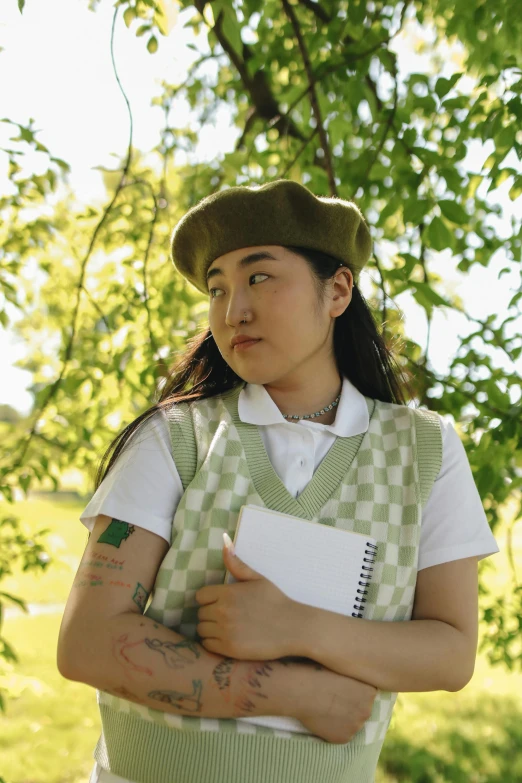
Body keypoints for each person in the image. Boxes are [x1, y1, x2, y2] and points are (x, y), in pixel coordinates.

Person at [57, 180, 499, 783]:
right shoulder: (174, 439)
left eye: (258, 278)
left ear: (338, 289)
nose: (232, 308)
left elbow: (451, 653)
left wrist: (297, 627)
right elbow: (86, 642)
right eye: (217, 288)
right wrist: (293, 693)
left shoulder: (423, 449)